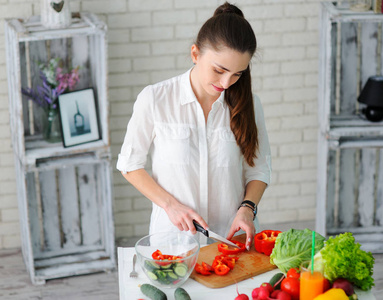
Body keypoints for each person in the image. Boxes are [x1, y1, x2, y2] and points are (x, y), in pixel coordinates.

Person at [116, 2, 271, 250]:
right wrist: (170, 205)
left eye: (237, 74)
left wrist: (248, 209)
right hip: (172, 240)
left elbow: (259, 170)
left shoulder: (249, 104)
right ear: (195, 54)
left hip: (231, 239)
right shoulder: (155, 99)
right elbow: (129, 164)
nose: (227, 82)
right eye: (219, 70)